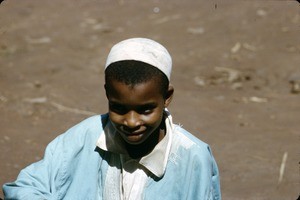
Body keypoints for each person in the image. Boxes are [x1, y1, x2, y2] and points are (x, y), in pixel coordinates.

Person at [2, 38, 221, 199]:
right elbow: (23, 188)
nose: (132, 122)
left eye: (145, 110)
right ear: (108, 94)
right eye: (119, 108)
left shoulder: (193, 157)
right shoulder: (84, 137)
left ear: (167, 98)